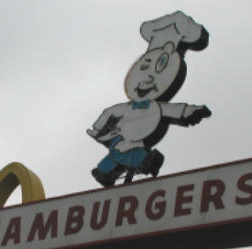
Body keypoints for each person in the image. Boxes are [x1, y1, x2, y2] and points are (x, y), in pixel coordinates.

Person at [87, 11, 212, 187]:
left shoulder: (157, 107)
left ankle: (112, 170)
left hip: (136, 141)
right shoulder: (126, 108)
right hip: (120, 139)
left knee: (126, 154)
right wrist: (98, 128)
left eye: (160, 68)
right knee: (124, 154)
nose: (148, 79)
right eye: (144, 68)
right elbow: (109, 113)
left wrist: (192, 111)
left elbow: (173, 110)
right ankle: (112, 170)